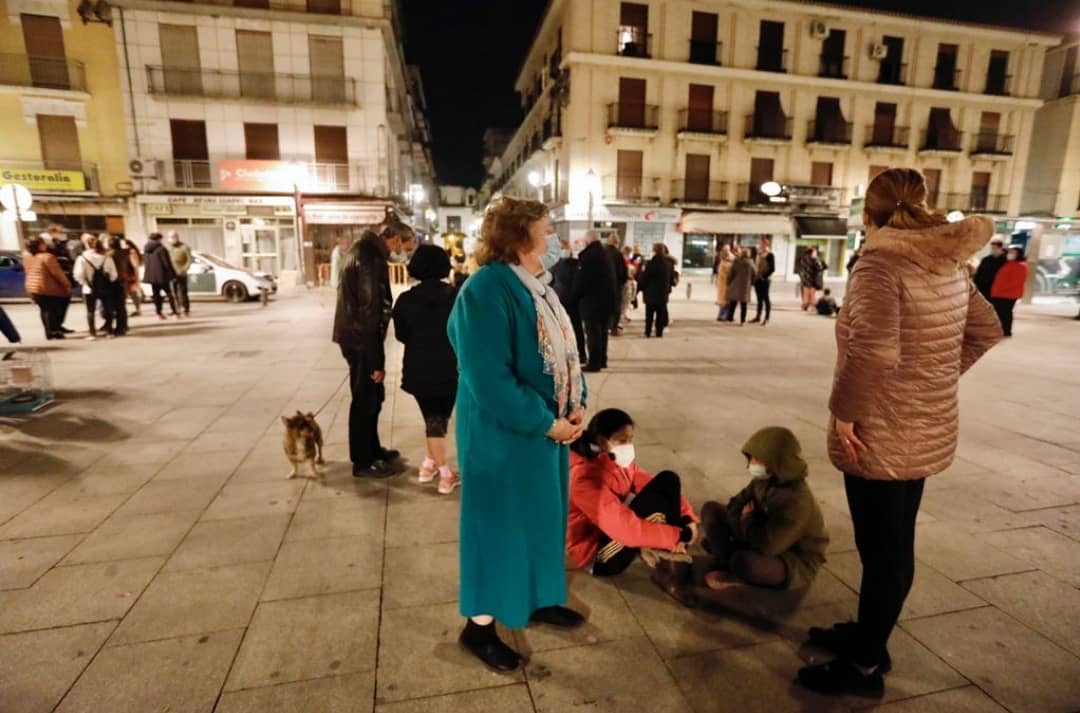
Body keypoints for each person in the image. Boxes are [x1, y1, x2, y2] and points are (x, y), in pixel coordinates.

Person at [797, 167, 1003, 697]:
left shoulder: (880, 264)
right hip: (922, 422)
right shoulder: (947, 262)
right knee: (889, 543)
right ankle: (868, 633)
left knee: (884, 549)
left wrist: (844, 414)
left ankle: (866, 664)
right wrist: (932, 379)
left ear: (868, 213)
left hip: (880, 429)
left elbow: (872, 351)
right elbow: (986, 328)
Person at [447, 195, 587, 672]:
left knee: (541, 519)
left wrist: (578, 402)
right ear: (518, 234)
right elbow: (488, 378)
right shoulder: (486, 290)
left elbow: (567, 351)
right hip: (503, 438)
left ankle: (537, 597)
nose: (552, 237)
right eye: (545, 229)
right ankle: (479, 626)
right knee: (498, 528)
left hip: (544, 435)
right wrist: (546, 421)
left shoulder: (538, 286)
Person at [567, 408, 698, 578]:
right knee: (636, 526)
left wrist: (687, 518)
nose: (628, 446)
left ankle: (673, 546)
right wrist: (679, 534)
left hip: (611, 530)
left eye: (630, 440)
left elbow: (650, 482)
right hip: (598, 554)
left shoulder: (615, 459)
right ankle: (673, 546)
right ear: (602, 440)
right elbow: (625, 529)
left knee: (668, 479)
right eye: (622, 441)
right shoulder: (584, 479)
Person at [700, 427, 828, 591]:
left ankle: (734, 564)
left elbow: (768, 546)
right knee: (711, 510)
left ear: (774, 461)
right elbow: (736, 504)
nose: (750, 464)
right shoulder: (764, 480)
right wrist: (742, 524)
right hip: (756, 534)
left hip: (791, 558)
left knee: (744, 562)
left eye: (755, 459)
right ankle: (726, 561)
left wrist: (746, 521)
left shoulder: (797, 501)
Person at [334, 222, 412, 477]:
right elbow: (370, 309)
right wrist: (376, 361)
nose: (399, 251)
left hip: (354, 336)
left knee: (372, 398)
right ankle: (363, 460)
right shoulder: (369, 257)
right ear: (391, 238)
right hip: (361, 339)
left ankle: (373, 448)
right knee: (365, 399)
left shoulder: (363, 251)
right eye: (400, 244)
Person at [392, 244, 460, 495]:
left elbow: (401, 335)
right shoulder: (456, 296)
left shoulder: (406, 300)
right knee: (438, 420)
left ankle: (428, 465)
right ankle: (445, 475)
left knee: (434, 420)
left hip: (419, 369)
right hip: (451, 368)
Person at [574, 231, 617, 372]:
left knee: (593, 333)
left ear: (587, 241)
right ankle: (602, 360)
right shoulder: (605, 254)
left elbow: (582, 281)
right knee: (603, 332)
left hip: (592, 301)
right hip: (608, 300)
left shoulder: (588, 256)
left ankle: (594, 363)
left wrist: (574, 295)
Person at [23, 236, 72, 340]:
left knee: (44, 309)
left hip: (33, 286)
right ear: (39, 245)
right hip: (46, 287)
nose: (46, 245)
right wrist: (67, 285)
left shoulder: (27, 256)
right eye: (44, 243)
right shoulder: (47, 257)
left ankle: (49, 332)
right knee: (53, 310)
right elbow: (57, 273)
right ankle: (54, 331)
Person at [72, 236, 118, 340]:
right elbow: (114, 274)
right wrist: (108, 281)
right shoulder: (107, 258)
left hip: (88, 289)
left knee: (90, 311)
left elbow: (78, 274)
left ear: (86, 245)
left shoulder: (82, 258)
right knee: (108, 309)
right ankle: (109, 332)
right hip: (105, 287)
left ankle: (92, 333)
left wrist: (84, 282)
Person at [549, 238, 586, 361]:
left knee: (560, 328)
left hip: (560, 299)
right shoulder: (577, 264)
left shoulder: (556, 265)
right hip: (574, 299)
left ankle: (564, 354)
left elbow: (550, 281)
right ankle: (581, 354)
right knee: (577, 327)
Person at [989, 244, 1028, 337]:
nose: (1010, 254)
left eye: (1013, 253)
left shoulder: (1020, 266)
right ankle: (1001, 329)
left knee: (1005, 313)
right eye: (1010, 252)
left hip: (1008, 294)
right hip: (1000, 293)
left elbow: (1015, 281)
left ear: (1019, 254)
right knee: (1000, 313)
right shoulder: (1009, 264)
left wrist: (1000, 289)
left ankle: (1006, 330)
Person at [637, 242, 674, 338]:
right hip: (662, 293)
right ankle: (659, 332)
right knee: (660, 314)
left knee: (649, 315)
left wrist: (640, 287)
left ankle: (647, 332)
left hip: (650, 293)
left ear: (654, 251)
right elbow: (671, 279)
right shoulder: (668, 264)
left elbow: (645, 277)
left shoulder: (650, 263)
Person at [142, 233, 179, 320]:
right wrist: (173, 275)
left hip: (152, 277)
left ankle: (158, 313)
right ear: (159, 239)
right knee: (170, 294)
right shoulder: (161, 249)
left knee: (156, 296)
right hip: (163, 276)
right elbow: (166, 263)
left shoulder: (146, 249)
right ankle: (175, 312)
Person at [725, 247, 757, 325]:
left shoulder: (736, 261)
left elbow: (731, 273)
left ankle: (730, 317)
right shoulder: (751, 263)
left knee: (733, 301)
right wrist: (752, 282)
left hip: (735, 283)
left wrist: (728, 282)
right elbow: (755, 273)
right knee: (743, 304)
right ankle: (742, 320)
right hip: (745, 285)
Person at [605, 234, 629, 336]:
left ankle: (605, 327)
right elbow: (623, 272)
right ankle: (614, 328)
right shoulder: (618, 254)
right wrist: (621, 283)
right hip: (615, 286)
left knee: (604, 307)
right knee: (615, 308)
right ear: (617, 242)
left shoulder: (602, 253)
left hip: (603, 286)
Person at [107, 237, 131, 336]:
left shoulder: (110, 255)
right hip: (123, 280)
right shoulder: (125, 253)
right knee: (121, 306)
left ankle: (119, 328)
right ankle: (123, 326)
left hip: (113, 281)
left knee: (114, 306)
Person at [166, 231, 193, 317]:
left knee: (183, 292)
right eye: (170, 237)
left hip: (181, 273)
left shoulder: (184, 247)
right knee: (173, 293)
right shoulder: (168, 248)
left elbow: (189, 260)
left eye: (174, 236)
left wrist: (184, 269)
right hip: (171, 274)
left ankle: (185, 309)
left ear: (177, 237)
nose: (172, 239)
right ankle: (176, 309)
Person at [750, 239, 775, 325]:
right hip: (757, 279)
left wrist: (764, 277)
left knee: (766, 298)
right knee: (759, 299)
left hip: (765, 280)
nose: (760, 245)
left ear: (766, 245)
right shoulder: (758, 254)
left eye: (762, 244)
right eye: (760, 244)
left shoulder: (770, 255)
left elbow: (772, 268)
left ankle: (767, 318)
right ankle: (758, 316)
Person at [122, 239, 144, 316]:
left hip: (131, 276)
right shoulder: (125, 252)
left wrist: (137, 278)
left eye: (123, 244)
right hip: (127, 275)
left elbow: (135, 265)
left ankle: (137, 309)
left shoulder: (132, 252)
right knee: (128, 293)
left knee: (133, 293)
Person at [714, 244, 734, 321]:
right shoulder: (723, 260)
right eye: (725, 250)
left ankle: (723, 315)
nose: (726, 251)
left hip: (727, 283)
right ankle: (722, 315)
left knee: (726, 300)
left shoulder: (729, 259)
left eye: (727, 250)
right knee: (723, 300)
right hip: (723, 283)